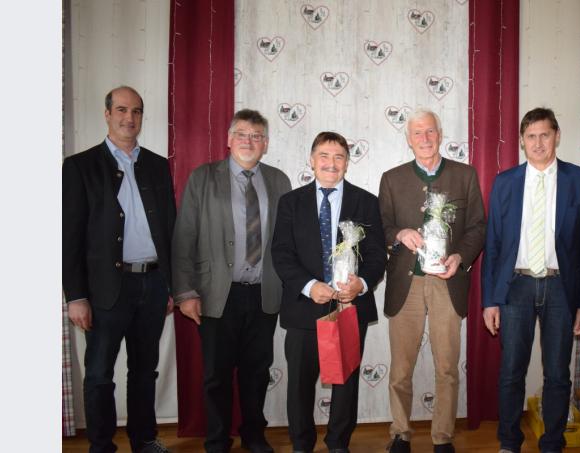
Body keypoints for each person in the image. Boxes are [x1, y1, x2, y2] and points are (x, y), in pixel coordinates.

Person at [63, 86, 175, 453]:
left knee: (145, 372)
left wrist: (173, 285)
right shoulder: (81, 166)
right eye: (123, 110)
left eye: (137, 111)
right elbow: (70, 237)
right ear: (107, 113)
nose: (130, 118)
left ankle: (144, 440)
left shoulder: (158, 165)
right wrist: (76, 296)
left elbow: (171, 228)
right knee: (98, 375)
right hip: (106, 288)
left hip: (154, 284)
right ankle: (101, 446)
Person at [481, 107, 580, 453]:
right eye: (530, 136)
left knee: (558, 374)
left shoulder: (579, 181)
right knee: (511, 372)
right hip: (515, 287)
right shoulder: (505, 183)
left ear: (557, 136)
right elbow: (493, 245)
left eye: (544, 135)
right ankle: (509, 442)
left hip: (562, 288)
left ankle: (552, 444)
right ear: (522, 141)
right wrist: (490, 299)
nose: (538, 142)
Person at [172, 109, 291, 453]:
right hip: (214, 294)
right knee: (217, 375)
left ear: (265, 144)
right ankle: (217, 439)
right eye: (242, 134)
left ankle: (254, 435)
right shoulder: (203, 178)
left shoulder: (279, 181)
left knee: (257, 372)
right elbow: (184, 238)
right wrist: (185, 291)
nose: (249, 141)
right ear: (228, 140)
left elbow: (288, 241)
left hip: (264, 295)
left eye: (256, 136)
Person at [271, 131, 387, 453]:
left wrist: (361, 284)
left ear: (347, 163)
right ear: (312, 160)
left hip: (350, 307)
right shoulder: (290, 203)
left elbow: (377, 255)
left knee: (345, 384)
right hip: (303, 306)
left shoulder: (366, 202)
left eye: (338, 157)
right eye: (324, 155)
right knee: (299, 387)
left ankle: (338, 444)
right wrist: (310, 287)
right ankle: (301, 445)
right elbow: (281, 253)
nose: (331, 163)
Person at [378, 109, 486, 453]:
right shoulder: (391, 179)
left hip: (446, 282)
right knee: (401, 369)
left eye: (430, 131)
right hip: (405, 284)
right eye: (417, 133)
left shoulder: (464, 175)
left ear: (440, 135)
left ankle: (443, 437)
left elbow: (478, 228)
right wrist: (399, 233)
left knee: (447, 366)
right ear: (408, 139)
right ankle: (400, 433)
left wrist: (461, 257)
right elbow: (381, 229)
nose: (425, 138)